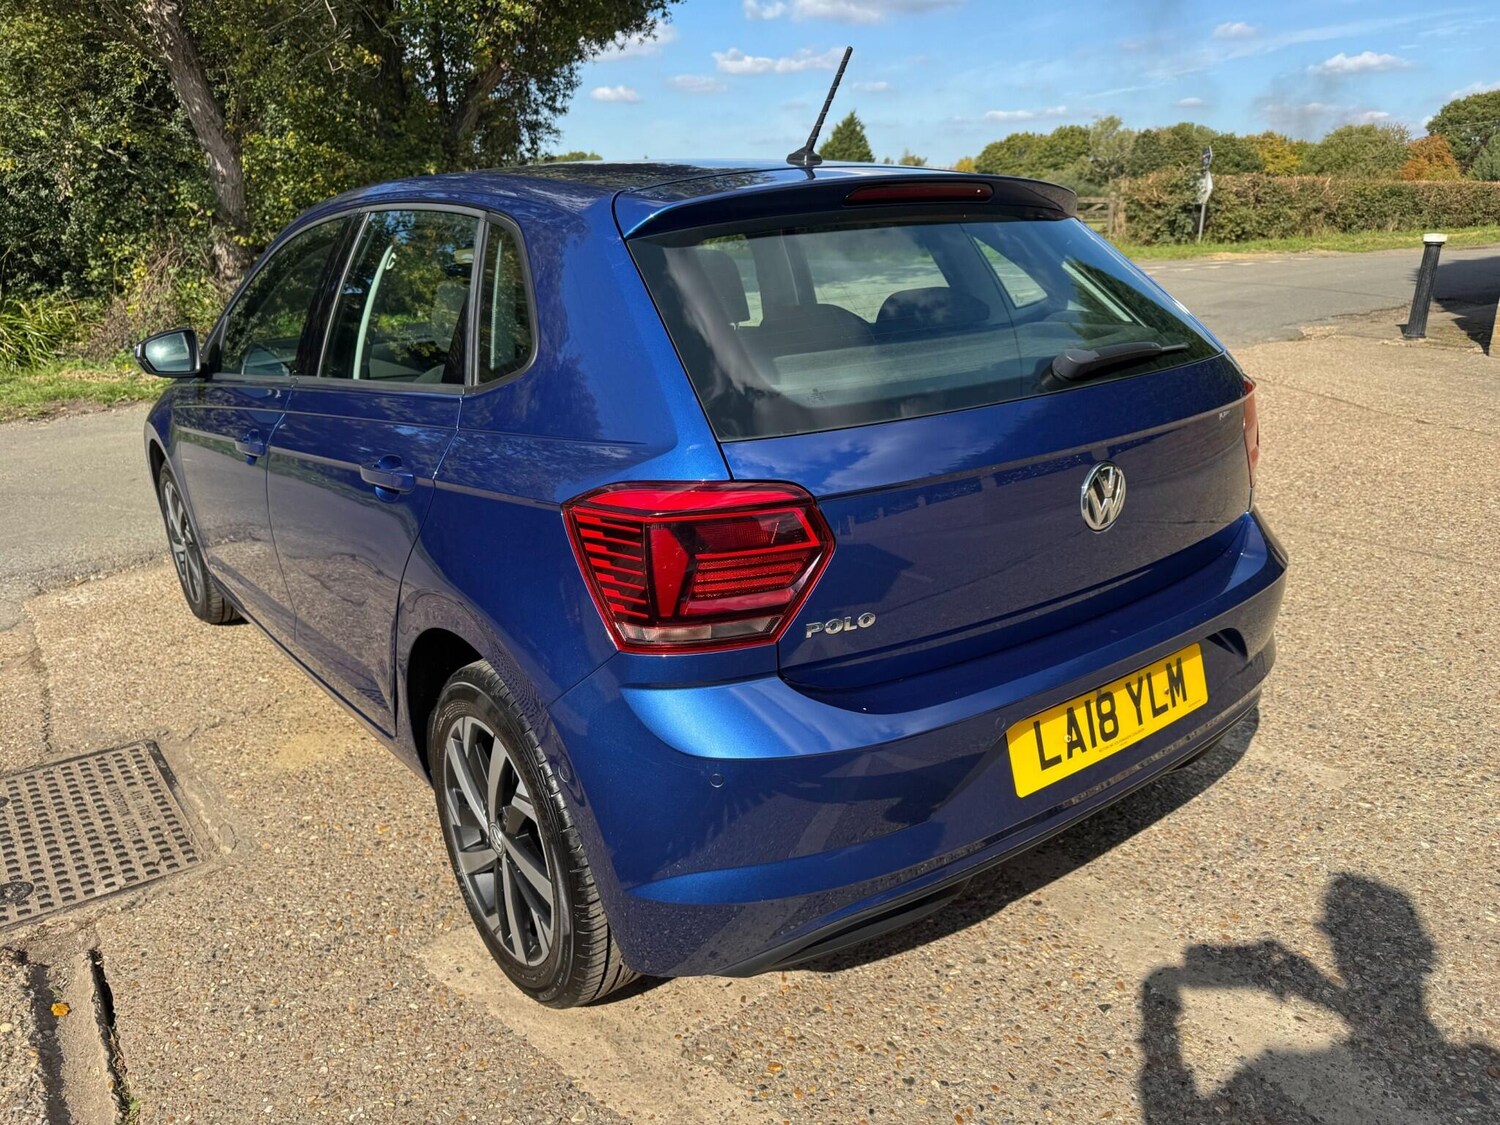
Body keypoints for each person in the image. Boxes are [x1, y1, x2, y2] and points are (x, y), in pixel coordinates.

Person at [1139, 874, 1500, 1123]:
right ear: (1425, 954)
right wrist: (1323, 995)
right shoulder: (1475, 1061)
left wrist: (1157, 1019)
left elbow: (1167, 1112)